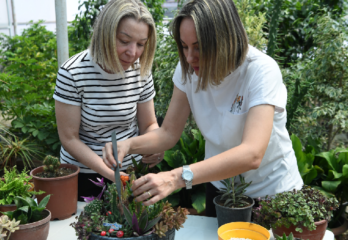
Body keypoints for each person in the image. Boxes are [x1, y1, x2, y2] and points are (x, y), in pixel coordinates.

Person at [102, 0, 303, 217]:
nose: (189, 57)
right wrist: (128, 145)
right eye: (185, 46)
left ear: (225, 39)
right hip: (221, 191)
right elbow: (168, 132)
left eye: (198, 47)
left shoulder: (260, 71)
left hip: (272, 193)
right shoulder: (188, 69)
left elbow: (252, 154)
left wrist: (174, 178)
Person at [53, 0, 164, 201]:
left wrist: (156, 146)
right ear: (105, 33)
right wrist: (112, 174)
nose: (133, 53)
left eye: (141, 44)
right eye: (124, 41)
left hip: (131, 172)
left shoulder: (140, 70)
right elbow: (69, 138)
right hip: (84, 175)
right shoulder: (73, 72)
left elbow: (149, 124)